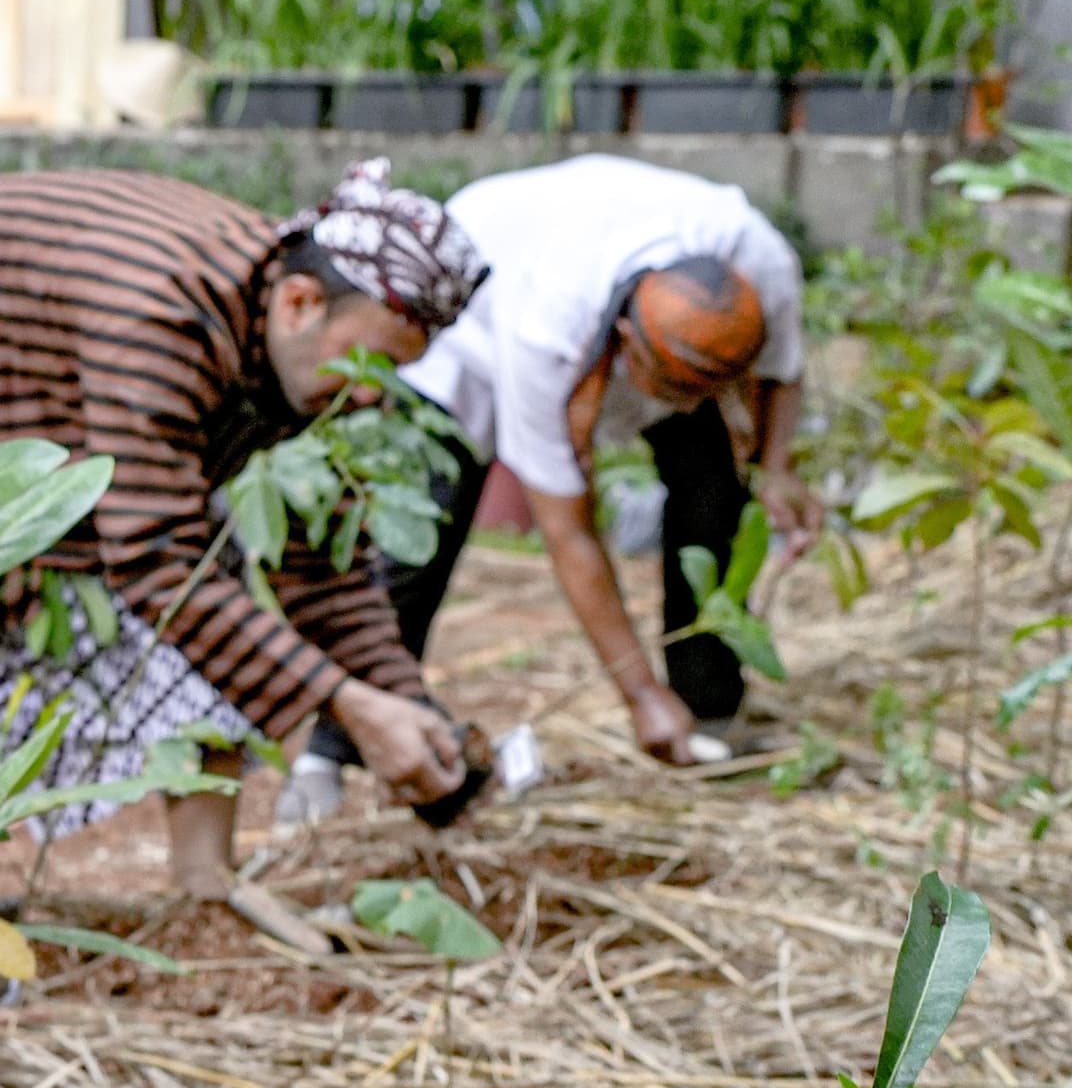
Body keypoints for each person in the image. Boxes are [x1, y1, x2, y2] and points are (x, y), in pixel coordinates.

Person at [0, 165, 489, 949]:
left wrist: (409, 708)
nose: (370, 396)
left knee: (211, 619)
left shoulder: (300, 340)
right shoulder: (158, 321)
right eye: (370, 367)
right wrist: (350, 707)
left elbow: (320, 561)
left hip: (53, 352)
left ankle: (205, 891)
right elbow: (155, 563)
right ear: (298, 302)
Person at [290, 158, 810, 813]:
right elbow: (567, 531)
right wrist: (637, 695)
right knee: (420, 536)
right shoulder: (547, 327)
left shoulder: (761, 266)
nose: (686, 405)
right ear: (627, 346)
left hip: (628, 296)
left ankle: (708, 710)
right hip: (477, 315)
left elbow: (783, 372)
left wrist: (777, 467)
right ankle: (333, 751)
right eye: (674, 392)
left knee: (715, 498)